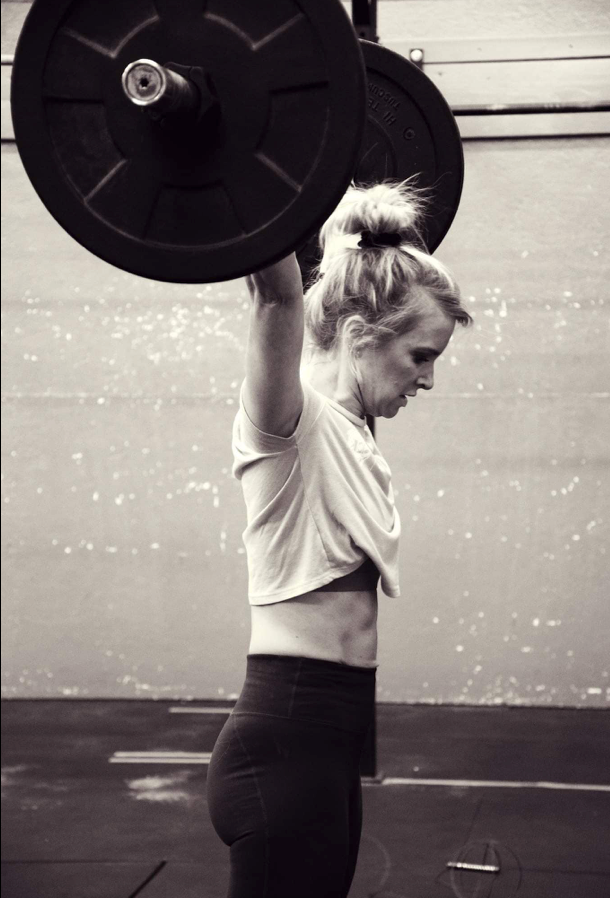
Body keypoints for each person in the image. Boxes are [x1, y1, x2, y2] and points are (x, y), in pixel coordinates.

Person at [206, 181, 473, 897]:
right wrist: (263, 177)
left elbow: (348, 276)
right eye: (421, 355)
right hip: (285, 745)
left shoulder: (353, 433)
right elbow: (275, 297)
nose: (430, 378)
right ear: (359, 338)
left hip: (327, 746)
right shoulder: (288, 421)